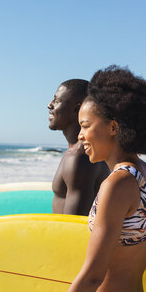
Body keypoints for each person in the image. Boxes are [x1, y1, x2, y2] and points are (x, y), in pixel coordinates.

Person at [53, 66, 146, 292]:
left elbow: (93, 275)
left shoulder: (116, 184)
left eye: (85, 126)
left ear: (113, 128)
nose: (81, 135)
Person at [48, 79, 110, 215]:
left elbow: (74, 226)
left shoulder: (80, 158)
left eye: (57, 101)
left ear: (77, 109)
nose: (49, 105)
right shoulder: (82, 152)